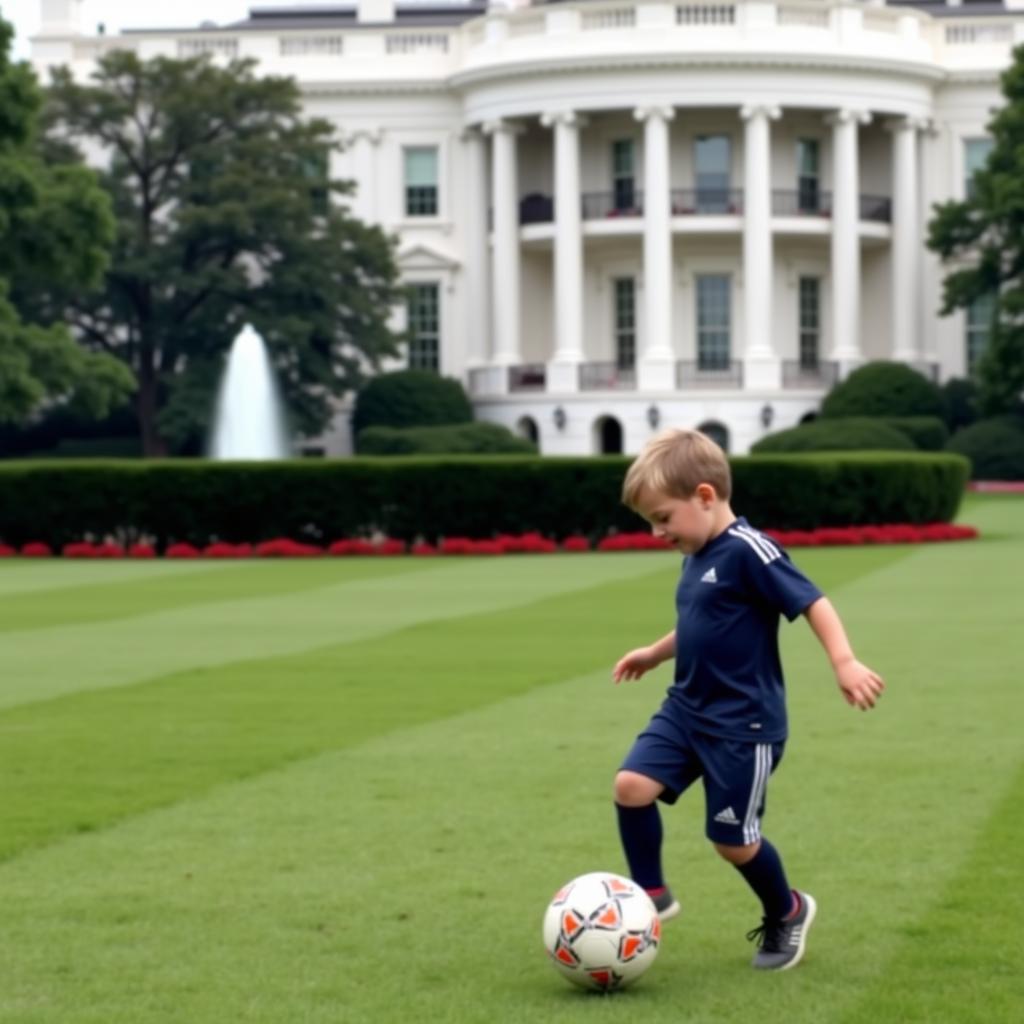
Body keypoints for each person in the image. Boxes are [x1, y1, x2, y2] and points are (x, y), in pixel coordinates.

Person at [612, 428, 884, 970]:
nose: (656, 531)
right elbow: (701, 623)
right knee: (631, 786)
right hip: (685, 710)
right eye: (650, 522)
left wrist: (844, 661)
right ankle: (651, 895)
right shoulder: (696, 551)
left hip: (743, 727)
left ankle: (786, 910)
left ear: (705, 496)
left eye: (663, 517)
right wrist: (655, 652)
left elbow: (813, 601)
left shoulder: (750, 550)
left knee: (733, 842)